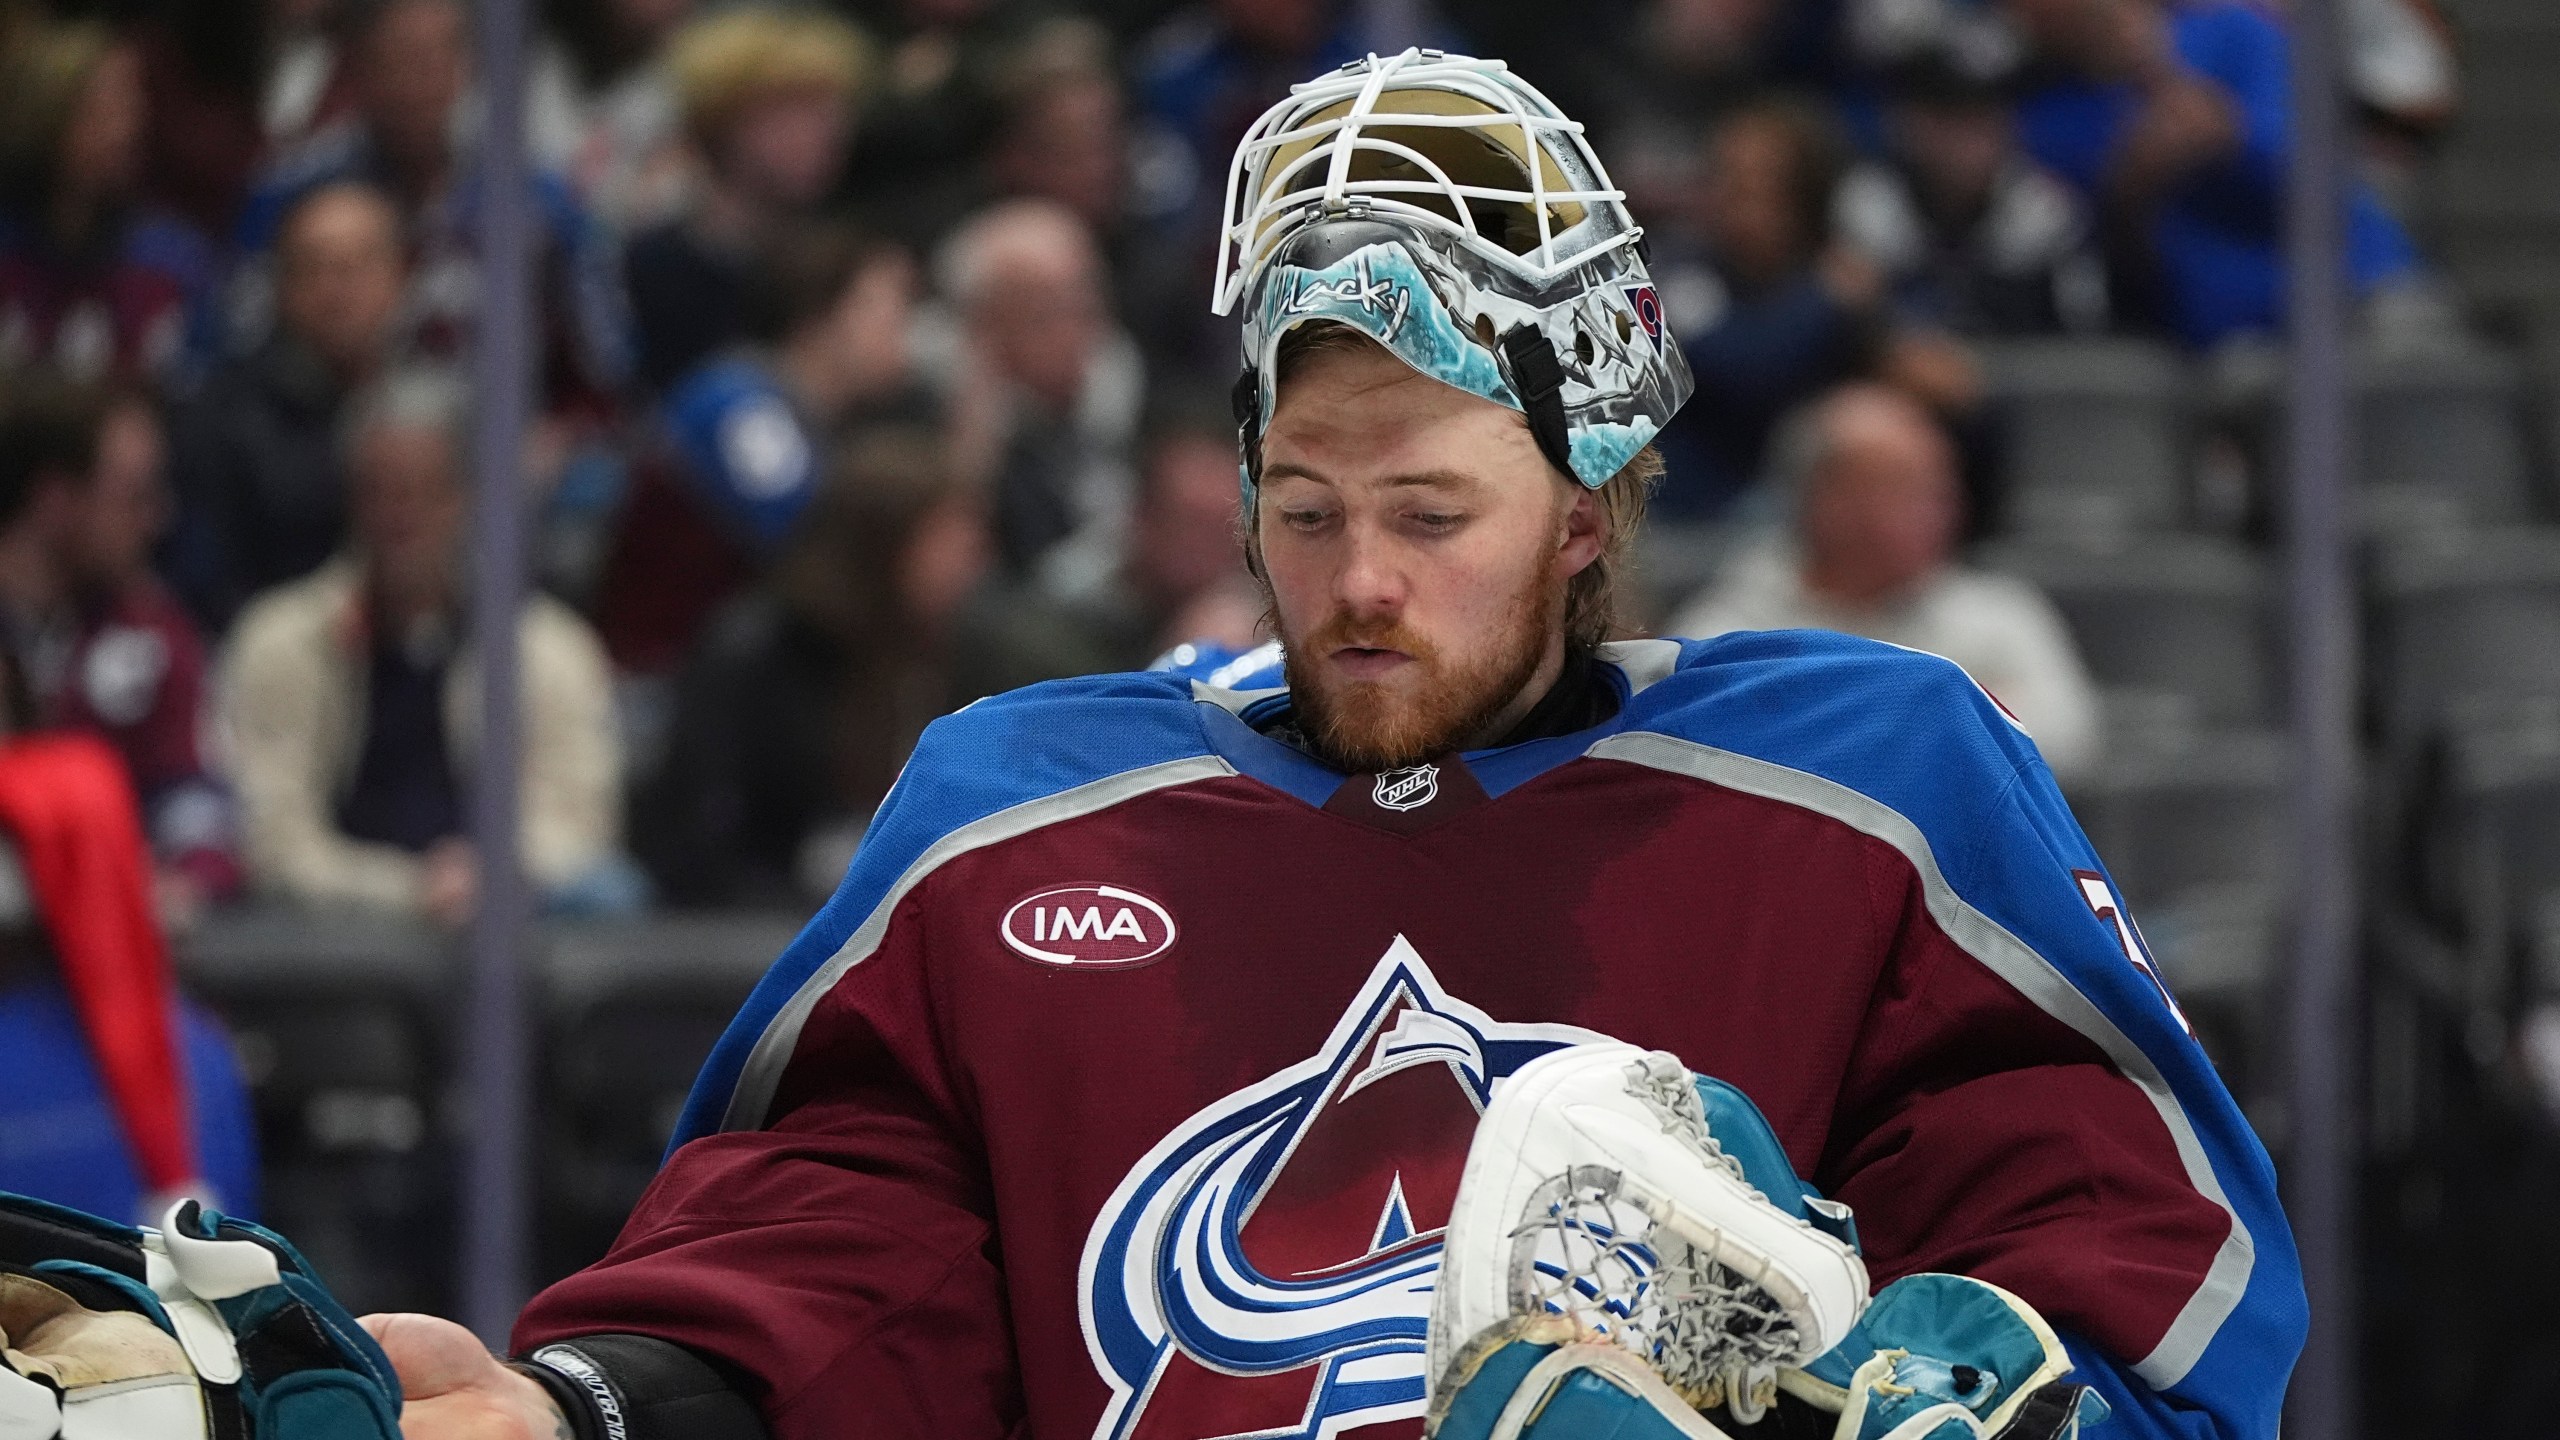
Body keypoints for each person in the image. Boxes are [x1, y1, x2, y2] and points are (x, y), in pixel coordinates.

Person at [359, 49, 2298, 1440]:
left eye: (1432, 516)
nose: (1355, 579)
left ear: (1587, 495)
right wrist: (590, 1408)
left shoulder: (1871, 786)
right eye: (1299, 507)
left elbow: (2120, 1280)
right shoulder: (1014, 814)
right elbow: (845, 1266)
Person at [221, 369, 627, 926]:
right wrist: (412, 892)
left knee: (610, 896)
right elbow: (272, 842)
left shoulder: (549, 649)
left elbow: (580, 824)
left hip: (507, 934)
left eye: (423, 493)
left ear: (466, 498)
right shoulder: (280, 641)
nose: (398, 519)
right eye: (379, 493)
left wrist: (492, 872)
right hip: (331, 941)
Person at [1671, 383, 2102, 781]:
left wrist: (1828, 721)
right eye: (1911, 489)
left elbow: (2068, 737)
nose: (1948, 508)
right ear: (1829, 503)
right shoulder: (1729, 631)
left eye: (1945, 488)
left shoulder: (2000, 611)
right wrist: (1961, 710)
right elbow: (1701, 746)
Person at [635, 428, 990, 909]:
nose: (973, 561)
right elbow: (697, 846)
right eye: (948, 537)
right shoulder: (755, 657)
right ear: (884, 544)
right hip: (760, 937)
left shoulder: (945, 656)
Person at [234, 0, 630, 407]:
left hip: (498, 441)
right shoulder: (294, 188)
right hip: (320, 434)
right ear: (360, 66)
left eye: (434, 59)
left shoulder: (529, 197)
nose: (416, 85)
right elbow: (236, 339)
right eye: (398, 60)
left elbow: (607, 358)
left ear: (467, 65)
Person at [592, 220, 923, 676]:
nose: (905, 330)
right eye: (892, 307)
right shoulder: (738, 403)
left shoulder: (829, 426)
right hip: (657, 681)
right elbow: (808, 543)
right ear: (824, 315)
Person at [2001, 0, 2424, 346]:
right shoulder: (2042, 116)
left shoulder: (2234, 32)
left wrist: (2224, 131)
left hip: (2359, 290)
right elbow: (2109, 267)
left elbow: (2321, 181)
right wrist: (2135, 182)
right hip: (2216, 341)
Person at [165, 181, 410, 637]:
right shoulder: (222, 417)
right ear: (281, 286)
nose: (336, 292)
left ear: (399, 276)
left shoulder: (439, 408)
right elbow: (208, 583)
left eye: (356, 268)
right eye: (314, 269)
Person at [623, 4, 871, 392]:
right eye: (792, 111)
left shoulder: (843, 259)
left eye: (829, 112)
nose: (825, 133)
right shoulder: (652, 268)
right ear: (721, 122)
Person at [934, 197, 1142, 599]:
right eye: (1046, 314)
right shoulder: (935, 417)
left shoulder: (1123, 383)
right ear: (983, 330)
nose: (1080, 333)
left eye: (1086, 306)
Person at [0, 21, 218, 386]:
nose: (123, 130)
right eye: (97, 111)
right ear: (43, 117)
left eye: (129, 108)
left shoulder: (175, 262)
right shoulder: (7, 251)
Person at [1834, 58, 2113, 337]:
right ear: (1907, 123)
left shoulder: (2048, 210)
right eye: (1947, 119)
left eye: (1982, 119)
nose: (1967, 142)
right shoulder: (1867, 201)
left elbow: (2084, 333)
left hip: (2030, 368)